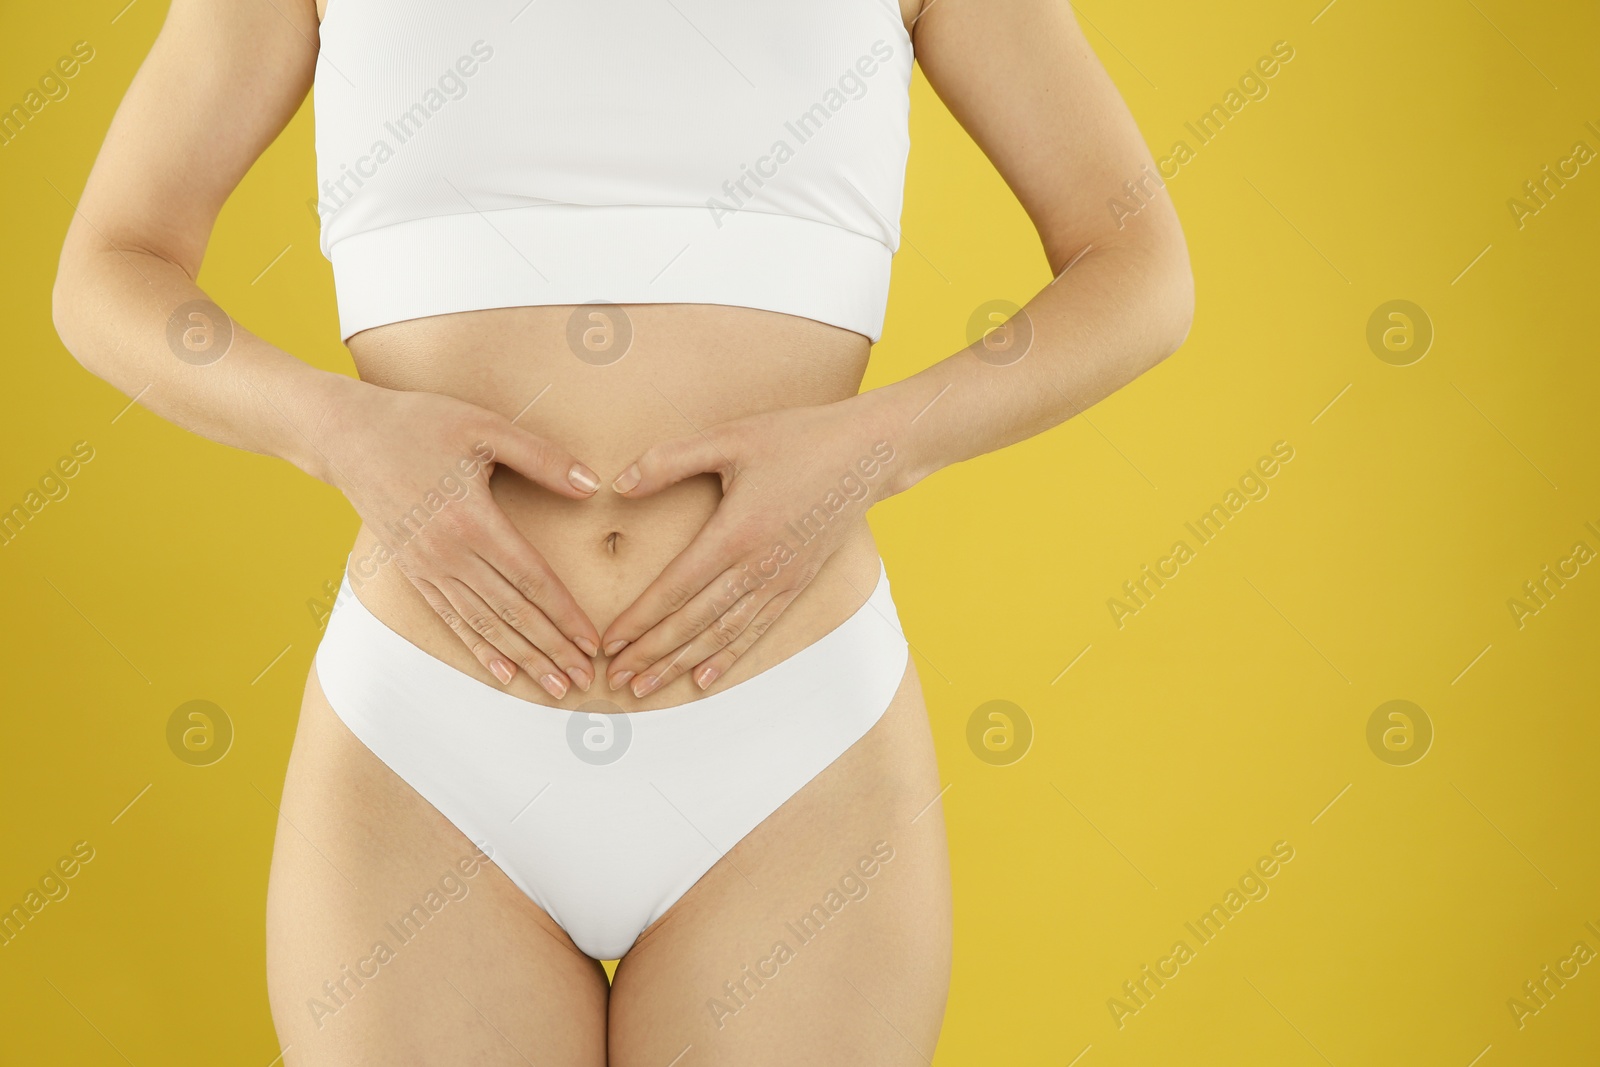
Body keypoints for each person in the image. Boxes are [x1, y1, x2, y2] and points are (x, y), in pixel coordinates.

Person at [52, 0, 1193, 1062]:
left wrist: (877, 448)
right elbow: (111, 266)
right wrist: (336, 428)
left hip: (793, 746)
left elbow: (1136, 265)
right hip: (427, 744)